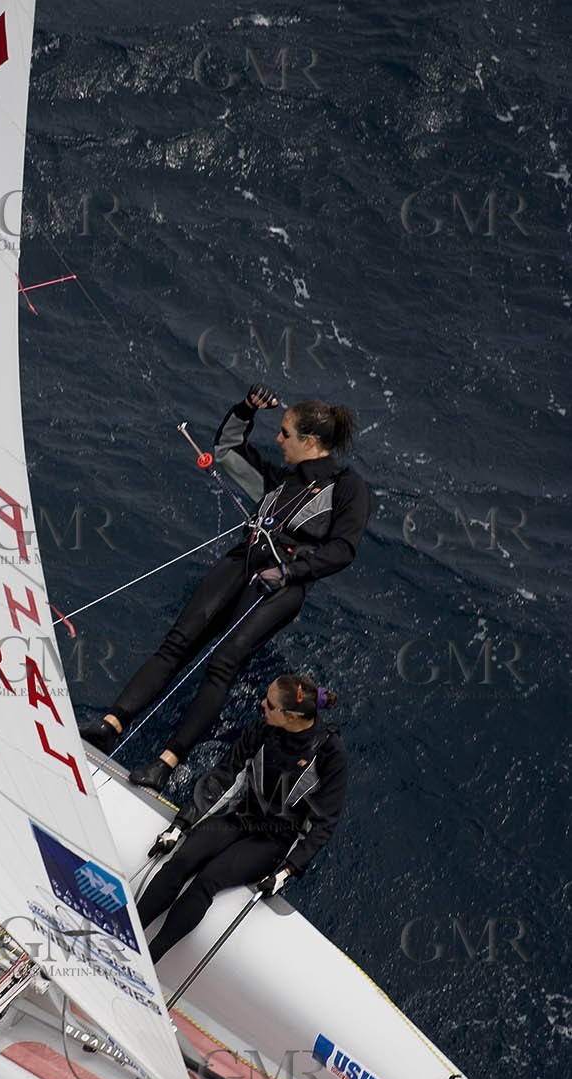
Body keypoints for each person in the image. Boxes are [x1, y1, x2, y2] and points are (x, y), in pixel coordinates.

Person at [80, 386, 369, 791]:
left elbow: (343, 549)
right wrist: (246, 409)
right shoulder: (279, 480)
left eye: (285, 434)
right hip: (241, 563)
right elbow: (227, 450)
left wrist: (291, 571)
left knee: (222, 664)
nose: (278, 439)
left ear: (311, 441)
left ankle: (164, 764)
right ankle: (111, 725)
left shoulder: (349, 487)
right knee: (178, 642)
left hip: (281, 586)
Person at [135, 675, 347, 963]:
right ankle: (124, 935)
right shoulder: (264, 728)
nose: (262, 704)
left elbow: (324, 824)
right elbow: (223, 774)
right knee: (181, 862)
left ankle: (148, 958)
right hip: (241, 816)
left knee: (207, 880)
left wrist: (286, 872)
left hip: (272, 839)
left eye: (270, 705)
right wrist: (180, 825)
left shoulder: (330, 755)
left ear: (292, 716)